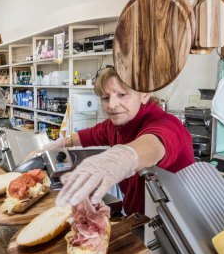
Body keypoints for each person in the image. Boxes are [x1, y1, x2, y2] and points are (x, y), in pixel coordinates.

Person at [46, 69, 194, 215]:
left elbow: (154, 144)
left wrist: (123, 157)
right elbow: (91, 134)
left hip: (177, 223)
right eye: (105, 98)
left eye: (122, 95)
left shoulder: (167, 124)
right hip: (137, 217)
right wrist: (63, 142)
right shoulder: (117, 124)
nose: (112, 105)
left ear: (144, 95)